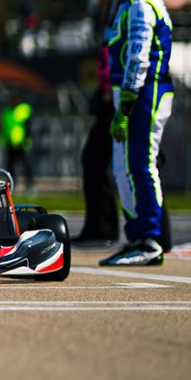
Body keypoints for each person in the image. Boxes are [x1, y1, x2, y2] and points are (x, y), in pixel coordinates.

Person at [99, 0, 174, 268]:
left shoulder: (142, 4)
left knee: (141, 166)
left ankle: (151, 239)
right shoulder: (130, 3)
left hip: (145, 93)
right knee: (123, 168)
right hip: (131, 95)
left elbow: (138, 59)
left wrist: (125, 108)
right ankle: (136, 237)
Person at [76, 40, 121, 244]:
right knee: (92, 162)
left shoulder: (125, 15)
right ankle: (95, 226)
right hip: (108, 94)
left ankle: (105, 228)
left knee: (97, 163)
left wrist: (111, 89)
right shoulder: (111, 19)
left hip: (114, 99)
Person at [0, 98, 35, 189]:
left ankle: (29, 186)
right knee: (10, 167)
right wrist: (3, 140)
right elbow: (5, 127)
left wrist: (27, 139)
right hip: (10, 143)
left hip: (22, 143)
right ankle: (12, 186)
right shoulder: (7, 111)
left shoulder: (24, 110)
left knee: (26, 166)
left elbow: (28, 125)